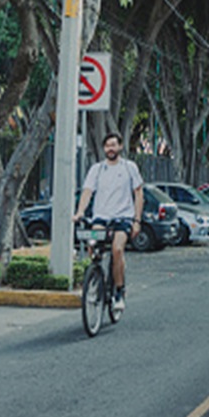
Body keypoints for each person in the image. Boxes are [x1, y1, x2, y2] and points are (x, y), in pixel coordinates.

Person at [74, 132, 143, 312]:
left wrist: (137, 220)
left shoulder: (129, 167)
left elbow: (138, 193)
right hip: (101, 217)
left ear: (120, 147)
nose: (110, 149)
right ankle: (96, 277)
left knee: (117, 249)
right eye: (107, 146)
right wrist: (80, 212)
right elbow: (87, 192)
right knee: (93, 245)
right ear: (104, 148)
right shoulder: (96, 169)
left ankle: (119, 291)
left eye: (114, 145)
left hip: (123, 218)